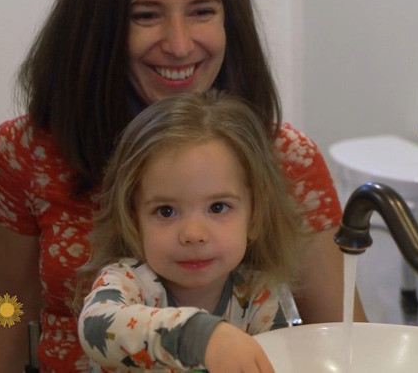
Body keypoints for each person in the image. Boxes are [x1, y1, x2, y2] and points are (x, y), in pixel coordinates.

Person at [0, 0, 364, 372]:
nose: (179, 45)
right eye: (146, 15)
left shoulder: (286, 159)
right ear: (97, 27)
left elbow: (345, 342)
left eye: (202, 11)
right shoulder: (23, 154)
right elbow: (9, 304)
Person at [78, 91, 303, 372]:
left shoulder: (258, 295)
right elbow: (96, 326)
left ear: (255, 217)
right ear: (133, 221)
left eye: (218, 207)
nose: (193, 234)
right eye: (166, 211)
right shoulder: (128, 282)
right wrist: (198, 335)